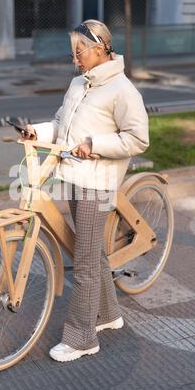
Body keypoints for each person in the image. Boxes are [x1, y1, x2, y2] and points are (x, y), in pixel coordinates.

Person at [22, 19, 149, 362]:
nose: (74, 59)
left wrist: (95, 144)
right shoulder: (79, 83)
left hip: (99, 185)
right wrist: (37, 132)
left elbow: (138, 139)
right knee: (92, 253)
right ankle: (109, 315)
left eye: (79, 52)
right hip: (76, 179)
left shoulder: (122, 90)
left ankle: (82, 338)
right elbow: (62, 124)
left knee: (86, 263)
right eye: (72, 53)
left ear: (100, 48)